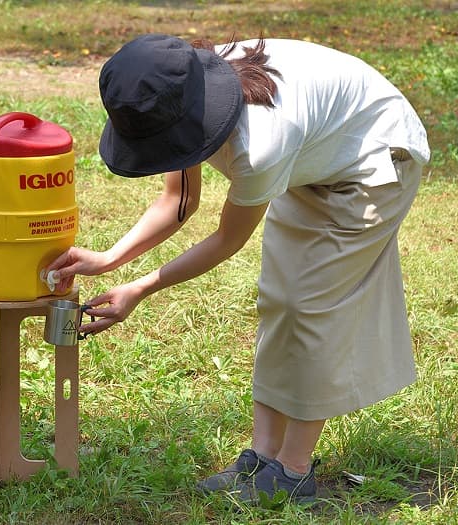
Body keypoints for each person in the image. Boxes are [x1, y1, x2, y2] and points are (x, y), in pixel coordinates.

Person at [43, 33, 429, 505]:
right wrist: (107, 259)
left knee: (309, 307)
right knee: (279, 297)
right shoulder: (181, 86)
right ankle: (264, 456)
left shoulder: (261, 141)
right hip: (316, 155)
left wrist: (140, 289)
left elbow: (228, 239)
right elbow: (178, 200)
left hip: (374, 161)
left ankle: (294, 471)